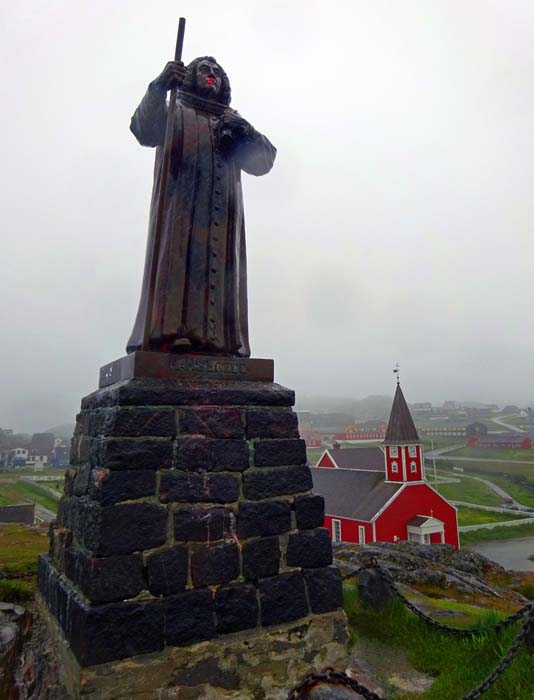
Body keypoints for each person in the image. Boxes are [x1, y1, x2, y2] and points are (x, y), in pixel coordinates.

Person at [126, 56, 276, 357]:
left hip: (225, 220)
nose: (212, 75)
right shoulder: (176, 113)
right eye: (205, 70)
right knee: (183, 265)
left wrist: (246, 130)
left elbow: (264, 161)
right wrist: (158, 87)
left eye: (218, 72)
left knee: (223, 274)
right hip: (183, 210)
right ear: (189, 77)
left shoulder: (230, 122)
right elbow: (143, 129)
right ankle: (173, 333)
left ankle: (223, 342)